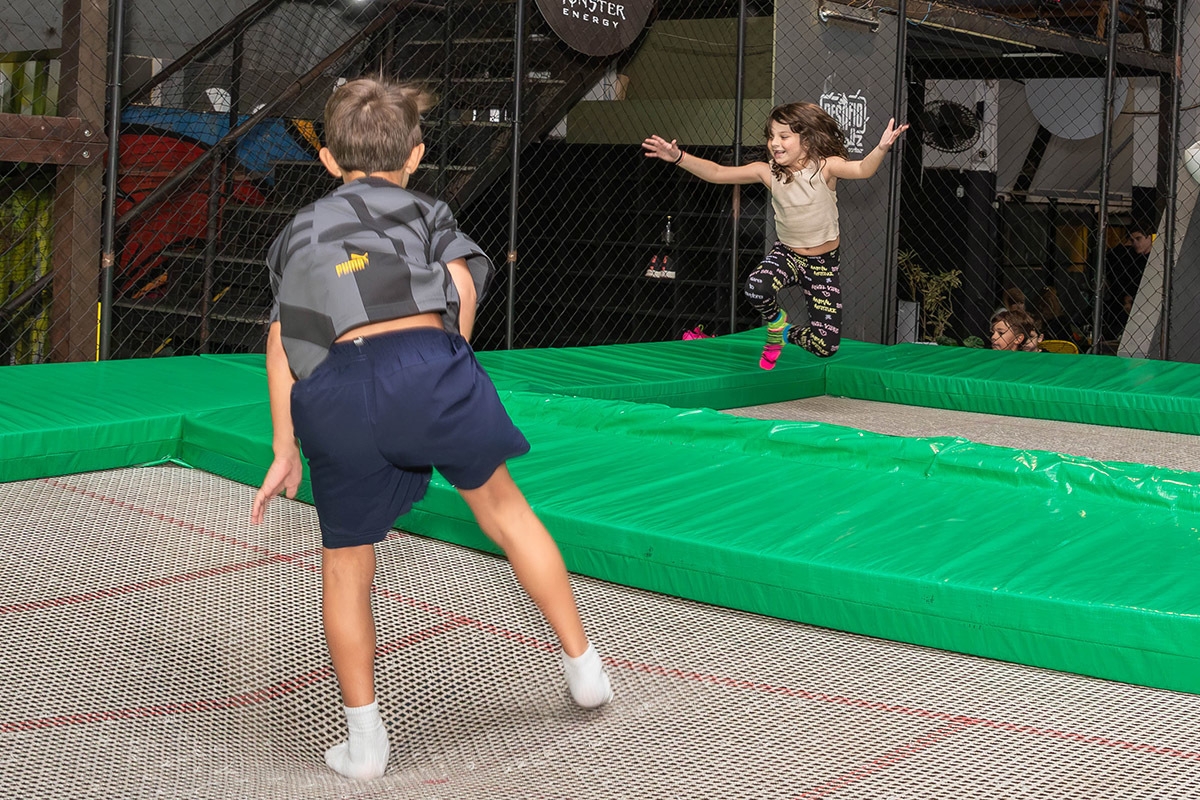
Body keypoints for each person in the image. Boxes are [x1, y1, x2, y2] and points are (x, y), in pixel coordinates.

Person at [250, 77, 613, 781]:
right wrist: (453, 361)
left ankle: (365, 742)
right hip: (428, 365)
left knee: (347, 567)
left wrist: (283, 447)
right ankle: (585, 667)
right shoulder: (426, 208)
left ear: (327, 160)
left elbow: (280, 342)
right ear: (415, 155)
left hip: (337, 388)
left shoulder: (300, 231)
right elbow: (464, 283)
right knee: (508, 515)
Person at [643, 102, 907, 369]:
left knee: (825, 346)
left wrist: (881, 147)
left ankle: (785, 334)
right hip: (788, 255)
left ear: (807, 139)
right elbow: (718, 173)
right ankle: (777, 321)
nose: (774, 143)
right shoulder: (767, 172)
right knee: (756, 287)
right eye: (771, 136)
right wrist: (678, 157)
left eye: (783, 136)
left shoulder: (825, 167)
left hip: (822, 264)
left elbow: (863, 170)